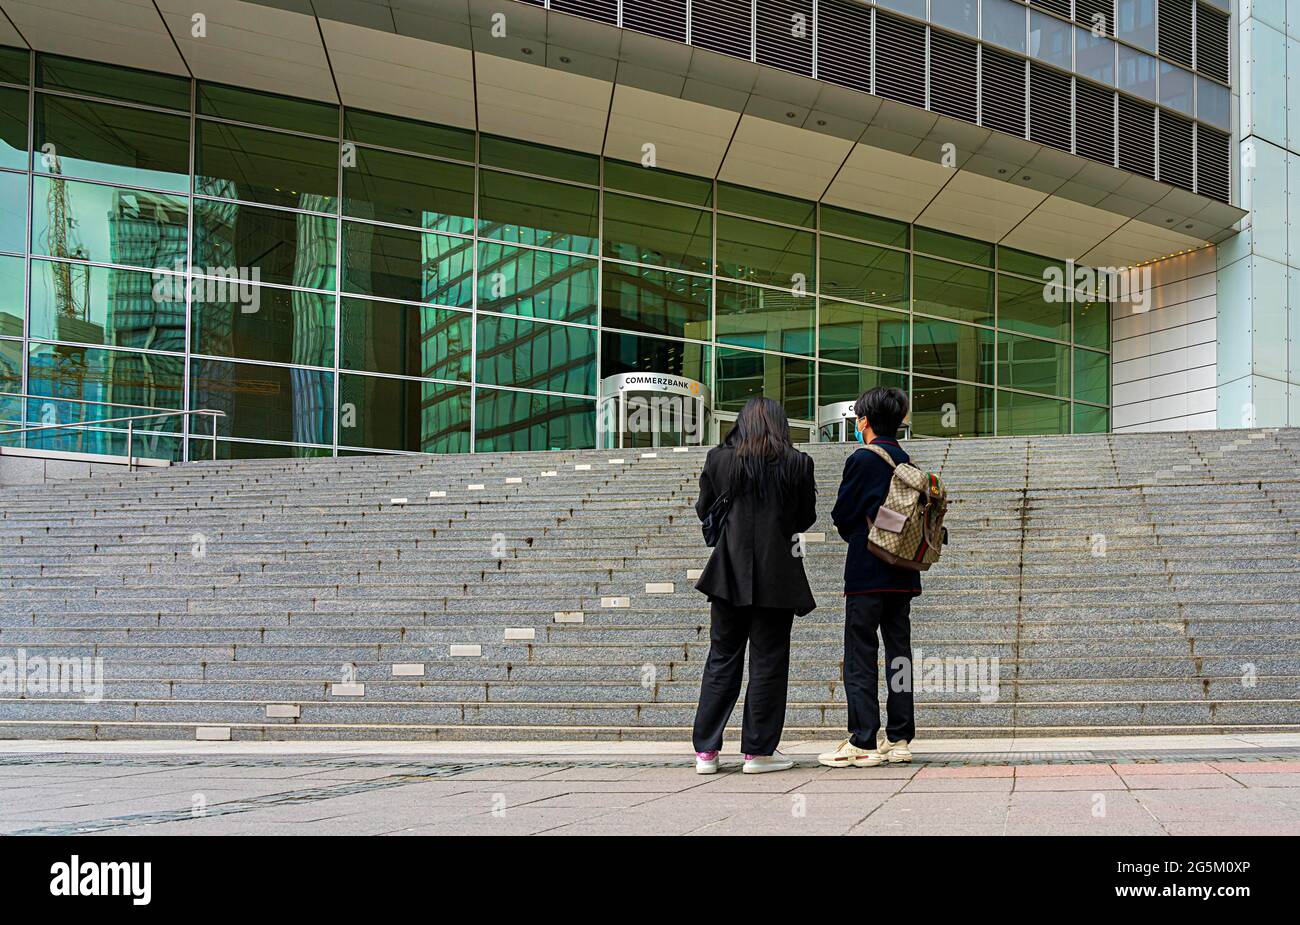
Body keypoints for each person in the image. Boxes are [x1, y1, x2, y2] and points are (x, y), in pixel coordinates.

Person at [691, 397, 817, 775]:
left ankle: (706, 753)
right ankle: (759, 752)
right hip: (777, 574)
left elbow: (704, 509)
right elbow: (805, 517)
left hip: (728, 573)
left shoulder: (719, 459)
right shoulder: (798, 463)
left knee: (721, 659)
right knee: (769, 662)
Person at [818, 386, 921, 769]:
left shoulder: (862, 458)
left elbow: (843, 514)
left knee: (861, 654)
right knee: (899, 655)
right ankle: (899, 738)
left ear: (863, 421)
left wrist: (864, 536)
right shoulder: (906, 461)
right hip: (904, 573)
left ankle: (863, 738)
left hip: (867, 572)